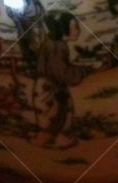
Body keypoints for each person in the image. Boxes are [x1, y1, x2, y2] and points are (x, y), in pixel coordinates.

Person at [33, 11, 88, 147]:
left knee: (57, 115)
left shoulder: (52, 44)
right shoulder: (56, 47)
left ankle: (51, 137)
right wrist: (81, 71)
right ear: (63, 29)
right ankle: (52, 139)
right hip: (51, 88)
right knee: (56, 116)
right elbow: (62, 73)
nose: (78, 31)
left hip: (49, 86)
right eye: (75, 27)